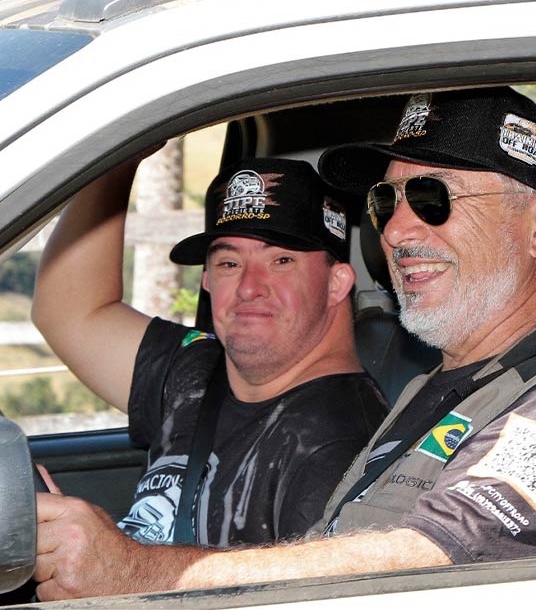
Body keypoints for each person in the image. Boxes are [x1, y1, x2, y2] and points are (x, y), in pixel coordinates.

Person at [35, 87, 536, 600]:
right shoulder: (449, 386)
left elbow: (429, 562)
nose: (396, 229)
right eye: (385, 201)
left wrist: (139, 574)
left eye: (433, 198)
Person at [32, 155, 388, 549]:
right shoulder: (199, 367)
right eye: (229, 262)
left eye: (281, 261)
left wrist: (113, 567)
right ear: (206, 281)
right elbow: (68, 311)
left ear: (337, 283)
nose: (249, 286)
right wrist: (119, 158)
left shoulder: (339, 445)